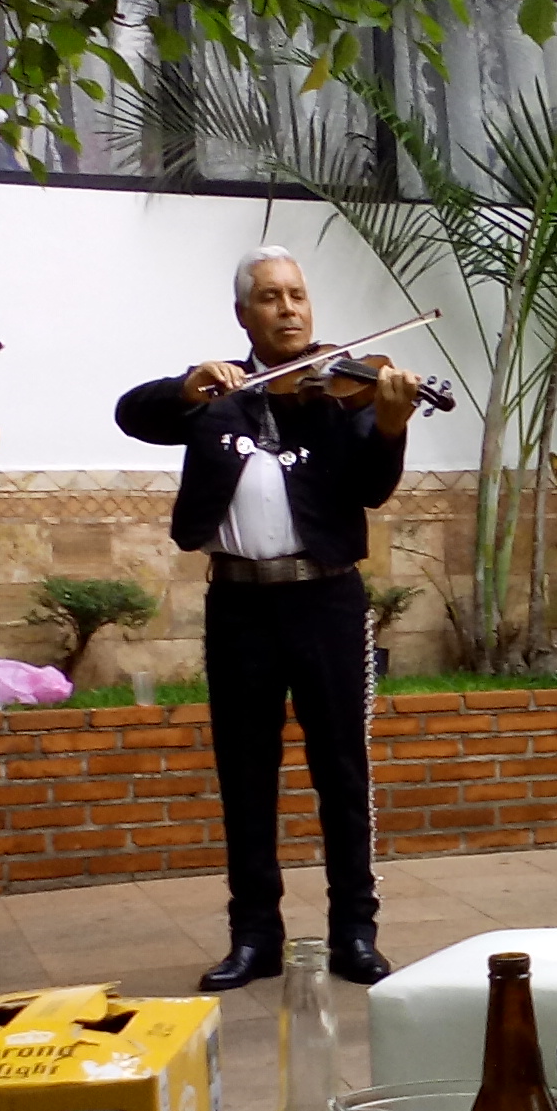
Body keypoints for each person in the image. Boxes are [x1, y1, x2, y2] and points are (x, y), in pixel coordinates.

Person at [115, 246, 421, 990]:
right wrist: (188, 385)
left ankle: (354, 930)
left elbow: (372, 489)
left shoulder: (344, 388)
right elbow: (132, 414)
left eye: (298, 296)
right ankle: (254, 936)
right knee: (244, 775)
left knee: (341, 771)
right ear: (243, 314)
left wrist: (388, 425)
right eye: (272, 298)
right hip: (240, 603)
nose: (289, 309)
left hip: (326, 597)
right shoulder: (215, 395)